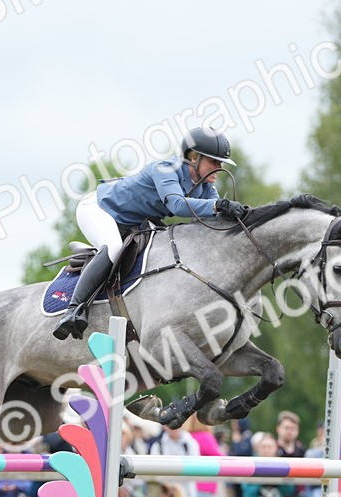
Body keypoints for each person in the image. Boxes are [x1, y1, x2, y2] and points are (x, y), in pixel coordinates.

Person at [53, 126, 247, 340]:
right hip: (99, 209)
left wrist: (239, 214)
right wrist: (219, 205)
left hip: (133, 222)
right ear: (193, 158)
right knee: (114, 247)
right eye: (214, 162)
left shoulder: (204, 185)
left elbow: (212, 215)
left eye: (220, 163)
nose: (219, 168)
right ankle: (73, 311)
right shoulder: (165, 169)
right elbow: (177, 205)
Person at [148, 425, 200, 497]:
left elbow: (196, 468)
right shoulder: (158, 446)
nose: (174, 426)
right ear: (164, 426)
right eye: (169, 423)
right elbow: (153, 470)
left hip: (187, 496)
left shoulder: (191, 444)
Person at [241, 433, 297, 497]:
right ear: (258, 449)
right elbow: (248, 490)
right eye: (263, 447)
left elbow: (289, 491)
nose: (266, 450)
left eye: (270, 447)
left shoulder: (282, 465)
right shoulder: (251, 464)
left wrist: (280, 474)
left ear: (276, 448)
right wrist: (262, 472)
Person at [185, 417, 224, 497]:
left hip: (190, 485)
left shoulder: (187, 437)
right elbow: (221, 458)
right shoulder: (205, 437)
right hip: (204, 486)